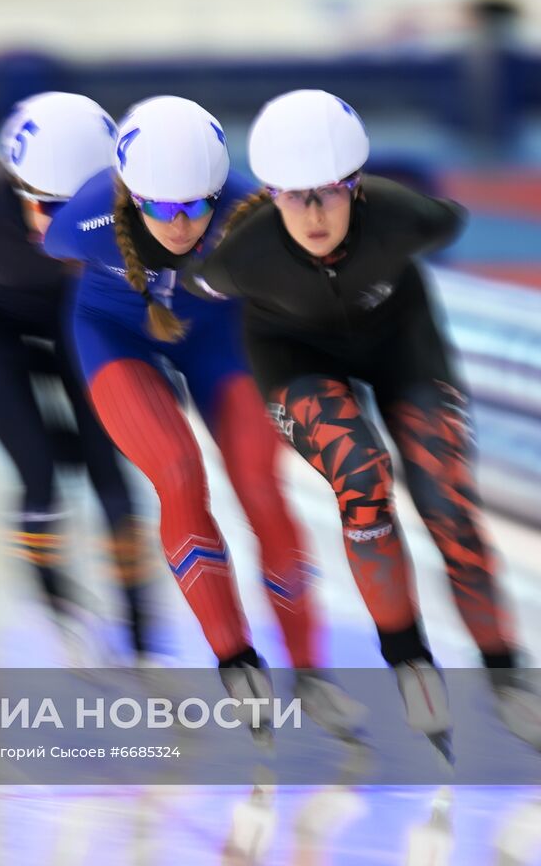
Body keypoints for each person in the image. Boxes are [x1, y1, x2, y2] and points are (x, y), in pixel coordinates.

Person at [195, 88, 541, 757]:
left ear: (358, 187)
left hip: (402, 345)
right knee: (361, 478)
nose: (314, 215)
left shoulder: (406, 217)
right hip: (295, 355)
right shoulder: (240, 259)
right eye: (294, 197)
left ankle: (507, 676)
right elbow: (182, 286)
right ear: (271, 195)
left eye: (330, 193)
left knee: (447, 501)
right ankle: (409, 661)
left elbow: (452, 215)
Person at [43, 96, 359, 740]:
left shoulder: (253, 210)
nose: (182, 224)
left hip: (220, 338)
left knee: (261, 487)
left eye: (197, 206)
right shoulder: (81, 219)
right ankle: (235, 658)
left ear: (221, 194)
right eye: (162, 208)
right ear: (130, 197)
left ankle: (311, 672)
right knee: (179, 474)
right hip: (116, 336)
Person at [0, 92, 156, 664]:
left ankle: (143, 636)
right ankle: (62, 613)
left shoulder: (135, 221)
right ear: (17, 189)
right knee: (37, 470)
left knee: (109, 467)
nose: (63, 227)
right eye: (46, 206)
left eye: (83, 209)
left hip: (72, 317)